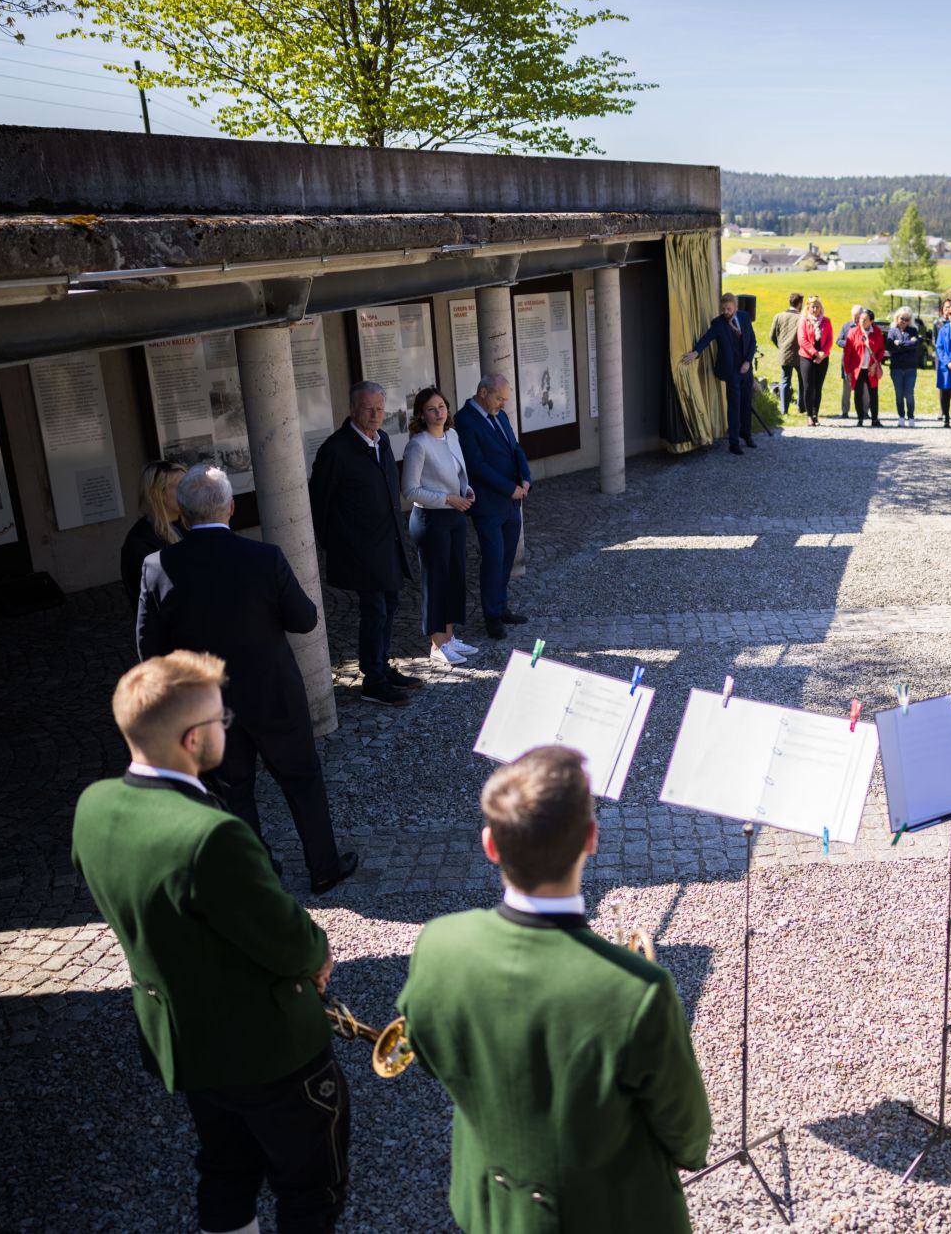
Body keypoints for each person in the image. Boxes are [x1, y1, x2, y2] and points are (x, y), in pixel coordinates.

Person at [74, 652, 350, 1234]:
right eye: (222, 717)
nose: (229, 723)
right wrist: (319, 951)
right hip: (267, 1049)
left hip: (186, 1043)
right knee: (310, 1189)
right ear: (194, 739)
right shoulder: (211, 835)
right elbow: (289, 942)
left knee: (225, 1172)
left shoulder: (93, 806)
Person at [397, 746, 712, 1233]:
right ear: (591, 839)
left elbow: (430, 1048)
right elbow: (688, 1135)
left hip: (492, 1207)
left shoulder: (437, 945)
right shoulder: (638, 991)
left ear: (490, 845)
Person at [140, 464, 359, 893]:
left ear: (181, 515)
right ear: (232, 508)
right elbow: (305, 619)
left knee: (232, 792)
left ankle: (256, 874)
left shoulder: (156, 566)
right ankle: (324, 866)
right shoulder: (264, 558)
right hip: (273, 694)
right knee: (301, 780)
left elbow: (149, 651)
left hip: (207, 705)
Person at [309, 379, 416, 703]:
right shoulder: (336, 449)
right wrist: (335, 543)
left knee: (393, 602)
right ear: (353, 409)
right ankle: (373, 680)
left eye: (380, 408)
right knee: (376, 609)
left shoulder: (381, 440)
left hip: (387, 543)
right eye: (368, 409)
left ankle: (382, 665)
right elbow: (319, 502)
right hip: (359, 548)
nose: (375, 414)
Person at [453, 374, 533, 640]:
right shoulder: (464, 420)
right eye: (499, 398)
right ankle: (491, 617)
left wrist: (525, 477)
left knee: (507, 558)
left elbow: (515, 449)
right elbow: (476, 465)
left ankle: (501, 607)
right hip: (488, 504)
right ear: (483, 392)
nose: (502, 404)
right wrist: (509, 488)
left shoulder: (499, 415)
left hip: (512, 501)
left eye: (504, 400)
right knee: (493, 559)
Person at [401, 386, 477, 667]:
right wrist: (448, 498)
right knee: (435, 581)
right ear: (421, 414)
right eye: (431, 409)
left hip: (455, 515)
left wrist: (467, 491)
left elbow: (459, 473)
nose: (438, 413)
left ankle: (449, 636)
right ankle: (436, 645)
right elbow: (409, 490)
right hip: (431, 519)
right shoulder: (418, 444)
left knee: (455, 576)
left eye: (442, 406)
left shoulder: (452, 435)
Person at [681, 292, 758, 454]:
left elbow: (752, 342)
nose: (725, 312)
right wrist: (695, 353)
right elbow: (706, 339)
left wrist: (748, 362)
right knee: (734, 406)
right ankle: (734, 443)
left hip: (746, 369)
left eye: (728, 308)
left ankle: (747, 435)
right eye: (723, 309)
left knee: (746, 403)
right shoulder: (717, 324)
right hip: (731, 372)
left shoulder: (744, 317)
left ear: (735, 307)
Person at [120, 458, 186, 609]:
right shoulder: (141, 542)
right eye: (181, 487)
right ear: (159, 494)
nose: (190, 491)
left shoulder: (188, 525)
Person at [844, 307, 886, 428]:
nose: (862, 321)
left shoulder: (877, 332)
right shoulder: (853, 332)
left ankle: (875, 419)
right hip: (857, 369)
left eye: (865, 319)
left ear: (871, 321)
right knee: (858, 394)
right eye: (861, 318)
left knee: (874, 394)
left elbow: (881, 350)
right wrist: (848, 370)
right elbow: (847, 354)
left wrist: (875, 363)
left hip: (871, 369)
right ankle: (860, 419)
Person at [884, 305, 924, 428]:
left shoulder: (913, 330)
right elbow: (890, 347)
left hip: (910, 368)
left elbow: (914, 345)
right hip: (896, 368)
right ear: (897, 318)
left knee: (909, 394)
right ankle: (901, 416)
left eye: (907, 319)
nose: (904, 322)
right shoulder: (892, 331)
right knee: (899, 394)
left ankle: (911, 416)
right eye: (902, 318)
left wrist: (899, 343)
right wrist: (906, 344)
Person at [796, 295, 832, 427]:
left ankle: (816, 413)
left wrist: (823, 354)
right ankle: (809, 415)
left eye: (817, 306)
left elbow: (829, 340)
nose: (815, 309)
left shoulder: (826, 321)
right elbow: (802, 340)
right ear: (808, 308)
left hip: (823, 358)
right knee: (808, 387)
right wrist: (815, 353)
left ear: (821, 308)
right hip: (807, 357)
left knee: (818, 387)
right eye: (813, 307)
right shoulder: (803, 321)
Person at [769, 291, 803, 415]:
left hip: (784, 354)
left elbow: (772, 335)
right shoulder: (802, 317)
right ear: (799, 303)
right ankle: (801, 407)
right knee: (802, 381)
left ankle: (784, 410)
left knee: (784, 381)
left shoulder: (778, 316)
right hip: (800, 355)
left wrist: (781, 347)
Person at [837, 303, 864, 419]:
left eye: (858, 316)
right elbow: (838, 341)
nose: (856, 319)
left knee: (864, 388)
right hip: (847, 361)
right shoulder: (846, 326)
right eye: (854, 316)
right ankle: (845, 411)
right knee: (846, 388)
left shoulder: (865, 326)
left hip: (862, 361)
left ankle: (864, 411)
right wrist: (847, 344)